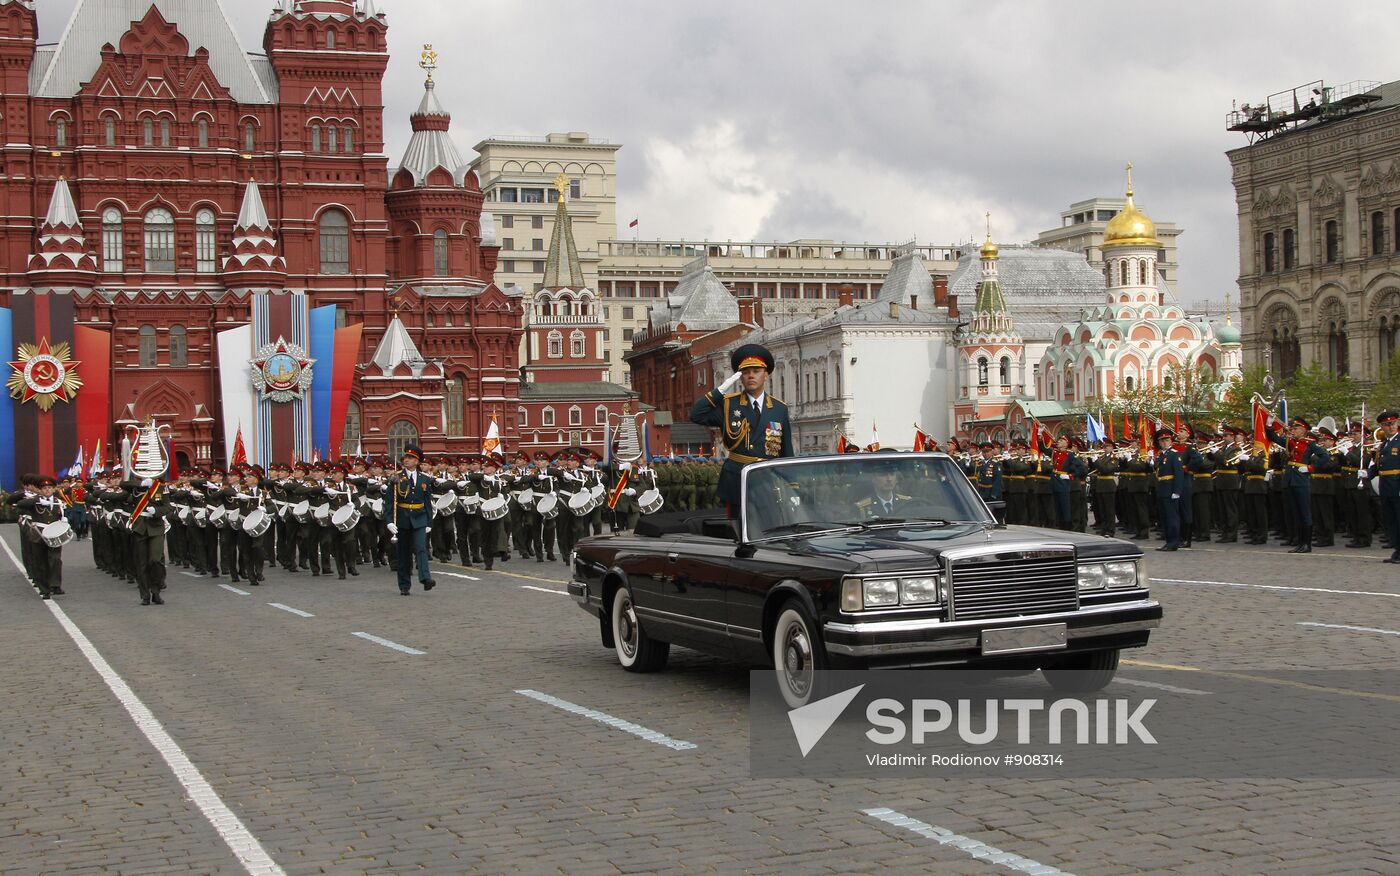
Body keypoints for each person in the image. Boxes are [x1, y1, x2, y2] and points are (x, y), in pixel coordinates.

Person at [689, 343, 793, 514]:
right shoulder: (729, 404)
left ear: (766, 374)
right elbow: (696, 414)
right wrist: (721, 389)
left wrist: (791, 484)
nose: (751, 376)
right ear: (740, 377)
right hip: (737, 479)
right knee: (738, 530)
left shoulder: (779, 409)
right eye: (745, 372)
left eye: (756, 371)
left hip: (767, 481)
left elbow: (786, 450)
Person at [1265, 416, 1329, 553]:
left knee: (1304, 512)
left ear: (1304, 430)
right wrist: (1269, 424)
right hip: (1290, 479)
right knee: (1295, 513)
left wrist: (1310, 468)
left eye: (1296, 428)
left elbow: (1325, 456)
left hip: (1301, 479)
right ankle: (1300, 543)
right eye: (1292, 428)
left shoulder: (1309, 443)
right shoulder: (1290, 442)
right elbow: (1273, 438)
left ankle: (1307, 544)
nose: (1293, 430)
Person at [390, 444, 437, 594]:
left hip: (419, 517)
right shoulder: (396, 477)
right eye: (406, 457)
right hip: (402, 518)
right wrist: (389, 521)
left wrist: (429, 521)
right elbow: (389, 502)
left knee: (421, 548)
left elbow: (427, 502)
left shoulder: (425, 479)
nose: (406, 460)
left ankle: (425, 578)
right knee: (403, 553)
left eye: (411, 458)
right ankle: (404, 585)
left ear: (417, 461)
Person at [1370, 411, 1400, 563]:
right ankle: (1397, 549)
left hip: (1397, 485)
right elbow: (1378, 466)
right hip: (1386, 485)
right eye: (1387, 425)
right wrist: (1366, 474)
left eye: (1393, 424)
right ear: (1382, 427)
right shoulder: (1384, 444)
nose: (1392, 427)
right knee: (1390, 520)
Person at [1154, 428, 1186, 551]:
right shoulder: (1161, 455)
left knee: (1172, 518)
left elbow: (1179, 474)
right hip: (1162, 489)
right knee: (1165, 518)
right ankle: (1168, 541)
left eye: (1167, 440)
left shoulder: (1174, 455)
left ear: (1171, 441)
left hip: (1170, 489)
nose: (1165, 443)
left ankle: (1173, 542)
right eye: (1162, 441)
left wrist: (1177, 491)